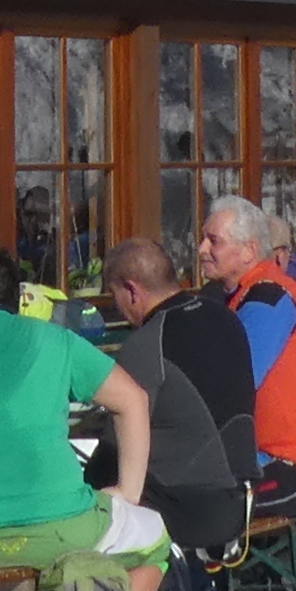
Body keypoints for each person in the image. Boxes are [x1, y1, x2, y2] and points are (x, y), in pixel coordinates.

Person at [0, 244, 165, 587]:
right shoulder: (57, 340)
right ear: (17, 301)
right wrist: (128, 492)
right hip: (64, 531)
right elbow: (133, 400)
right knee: (155, 546)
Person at [94, 237, 258, 561]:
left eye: (115, 297)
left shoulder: (147, 342)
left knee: (88, 505)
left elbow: (114, 448)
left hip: (188, 510)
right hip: (242, 498)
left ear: (132, 290)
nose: (118, 308)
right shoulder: (225, 317)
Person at [200, 194, 296, 492]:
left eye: (213, 241)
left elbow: (234, 383)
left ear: (249, 251)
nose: (202, 249)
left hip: (294, 463)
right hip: (270, 457)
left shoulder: (269, 297)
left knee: (187, 504)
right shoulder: (229, 296)